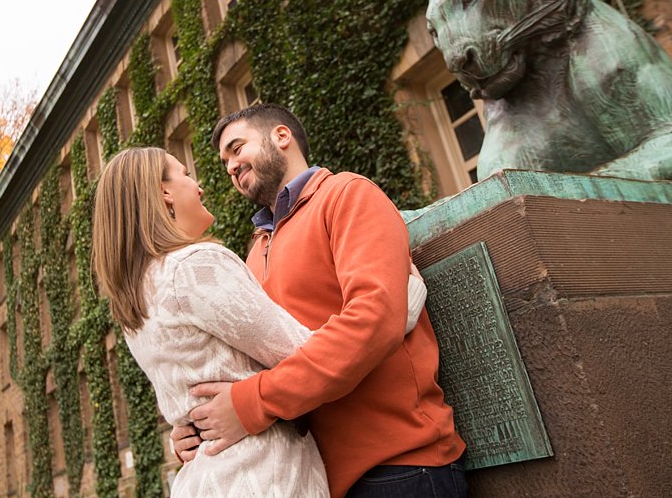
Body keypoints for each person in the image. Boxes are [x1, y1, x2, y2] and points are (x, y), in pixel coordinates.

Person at [91, 147, 427, 497]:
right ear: (164, 193)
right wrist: (398, 307)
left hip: (205, 479)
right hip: (260, 474)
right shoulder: (196, 265)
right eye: (186, 175)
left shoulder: (134, 299)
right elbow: (303, 354)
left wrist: (188, 429)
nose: (199, 185)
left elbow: (189, 398)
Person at [173, 104, 467, 498]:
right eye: (225, 161)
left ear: (281, 137)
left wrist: (253, 402)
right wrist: (195, 427)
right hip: (312, 481)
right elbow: (241, 364)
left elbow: (372, 319)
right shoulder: (254, 252)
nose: (230, 166)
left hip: (399, 467)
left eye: (237, 148)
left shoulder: (346, 194)